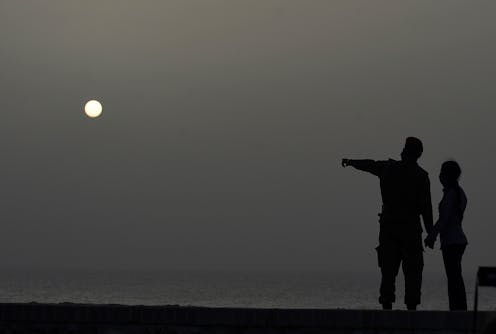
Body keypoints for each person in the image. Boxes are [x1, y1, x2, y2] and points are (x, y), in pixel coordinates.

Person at [342, 137, 433, 310]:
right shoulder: (421, 176)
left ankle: (388, 302)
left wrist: (351, 162)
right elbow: (426, 209)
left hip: (390, 225)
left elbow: (370, 165)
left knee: (389, 268)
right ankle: (410, 305)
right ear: (419, 154)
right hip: (409, 228)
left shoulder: (389, 168)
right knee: (409, 269)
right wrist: (430, 233)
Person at [424, 160, 468, 311]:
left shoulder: (451, 195)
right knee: (455, 276)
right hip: (457, 239)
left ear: (446, 175)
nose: (440, 176)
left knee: (454, 277)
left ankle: (458, 309)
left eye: (442, 172)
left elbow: (444, 219)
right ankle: (458, 308)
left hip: (452, 241)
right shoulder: (459, 193)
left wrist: (431, 236)